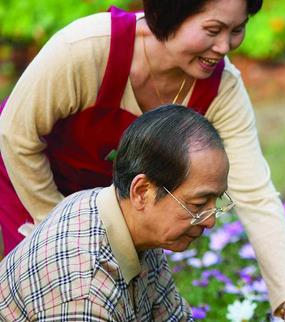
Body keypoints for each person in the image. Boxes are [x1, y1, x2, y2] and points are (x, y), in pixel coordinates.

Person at [0, 0, 285, 320]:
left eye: (237, 30)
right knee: (55, 293)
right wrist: (65, 233)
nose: (224, 46)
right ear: (170, 13)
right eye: (213, 30)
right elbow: (16, 136)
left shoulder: (222, 89)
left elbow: (257, 197)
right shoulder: (85, 49)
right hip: (32, 180)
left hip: (123, 201)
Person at [0, 105, 231, 321]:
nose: (210, 220)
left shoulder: (129, 222)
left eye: (216, 200)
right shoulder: (84, 291)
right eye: (199, 203)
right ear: (142, 191)